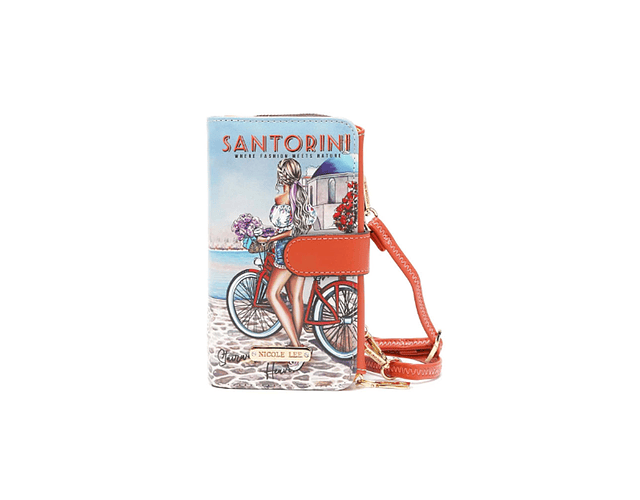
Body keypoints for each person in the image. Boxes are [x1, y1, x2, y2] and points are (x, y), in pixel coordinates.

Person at [257, 159, 316, 347]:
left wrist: (269, 239)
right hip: (302, 249)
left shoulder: (281, 199)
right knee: (296, 298)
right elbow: (301, 228)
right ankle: (296, 345)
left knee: (272, 294)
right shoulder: (302, 197)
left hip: (286, 251)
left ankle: (296, 345)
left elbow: (287, 231)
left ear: (281, 176)